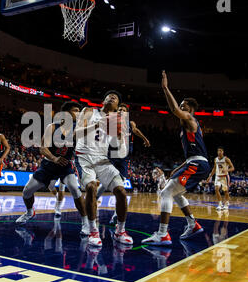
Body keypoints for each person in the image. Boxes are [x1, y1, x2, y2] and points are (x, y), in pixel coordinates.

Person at [142, 71, 210, 246]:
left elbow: (174, 110)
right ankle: (192, 224)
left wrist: (165, 88)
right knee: (177, 193)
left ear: (190, 109)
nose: (180, 108)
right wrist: (178, 167)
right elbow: (194, 154)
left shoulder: (190, 119)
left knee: (166, 192)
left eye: (183, 105)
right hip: (193, 162)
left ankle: (163, 234)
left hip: (197, 163)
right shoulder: (188, 126)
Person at [16, 101, 89, 236]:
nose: (78, 113)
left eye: (79, 111)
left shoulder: (77, 129)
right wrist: (54, 158)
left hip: (65, 166)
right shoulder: (52, 127)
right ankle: (29, 212)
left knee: (74, 189)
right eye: (76, 110)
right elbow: (43, 148)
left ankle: (85, 221)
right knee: (26, 192)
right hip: (49, 165)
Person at [74, 91, 133, 247]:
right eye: (109, 95)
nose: (112, 97)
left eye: (116, 97)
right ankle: (93, 230)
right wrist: (97, 125)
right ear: (103, 100)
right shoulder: (89, 111)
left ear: (116, 106)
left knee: (121, 191)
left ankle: (120, 231)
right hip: (84, 156)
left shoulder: (115, 121)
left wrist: (121, 139)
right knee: (91, 187)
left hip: (102, 159)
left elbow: (119, 150)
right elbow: (75, 134)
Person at [96, 102, 151, 225]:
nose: (121, 110)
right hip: (112, 154)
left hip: (124, 158)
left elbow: (136, 131)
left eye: (123, 109)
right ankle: (93, 200)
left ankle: (116, 215)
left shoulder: (130, 123)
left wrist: (145, 139)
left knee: (119, 186)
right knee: (107, 182)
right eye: (119, 109)